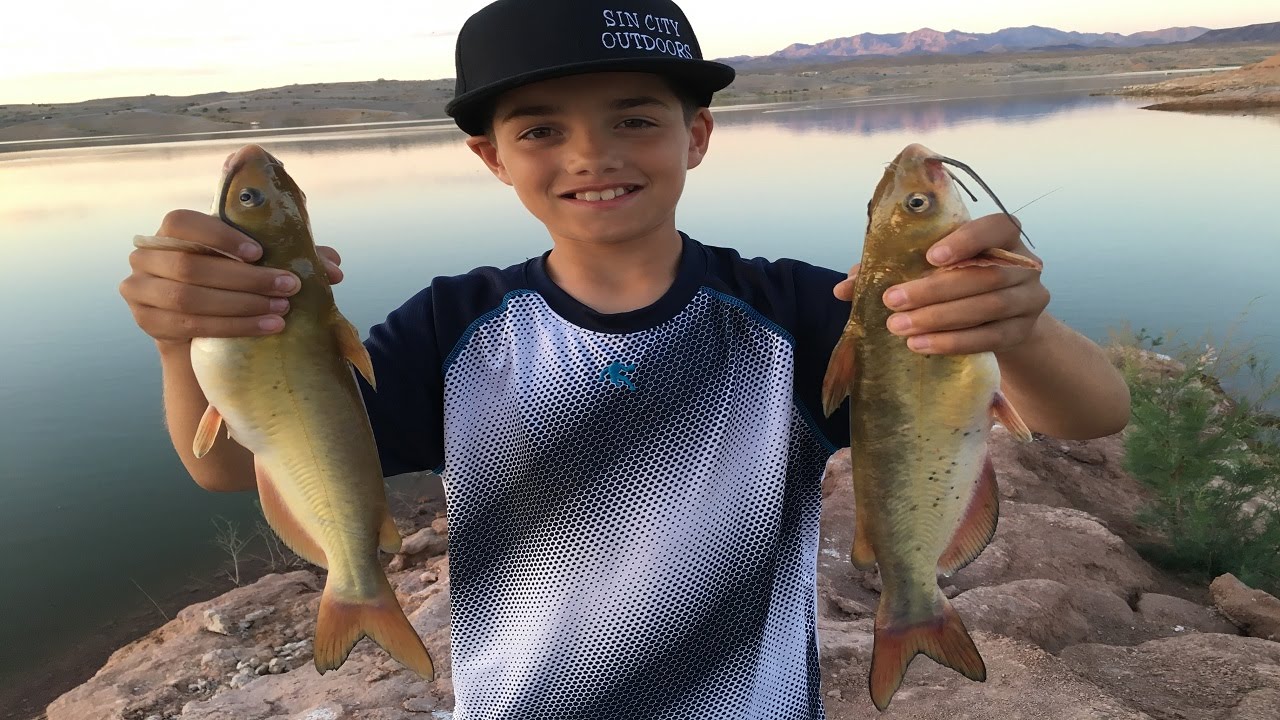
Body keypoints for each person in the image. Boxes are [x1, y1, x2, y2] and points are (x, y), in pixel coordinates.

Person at [118, 0, 1131, 717]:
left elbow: (1091, 416)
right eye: (539, 128)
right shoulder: (447, 327)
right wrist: (186, 344)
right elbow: (226, 462)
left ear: (695, 136)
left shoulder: (796, 311)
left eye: (634, 120)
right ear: (490, 156)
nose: (590, 155)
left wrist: (1015, 327)